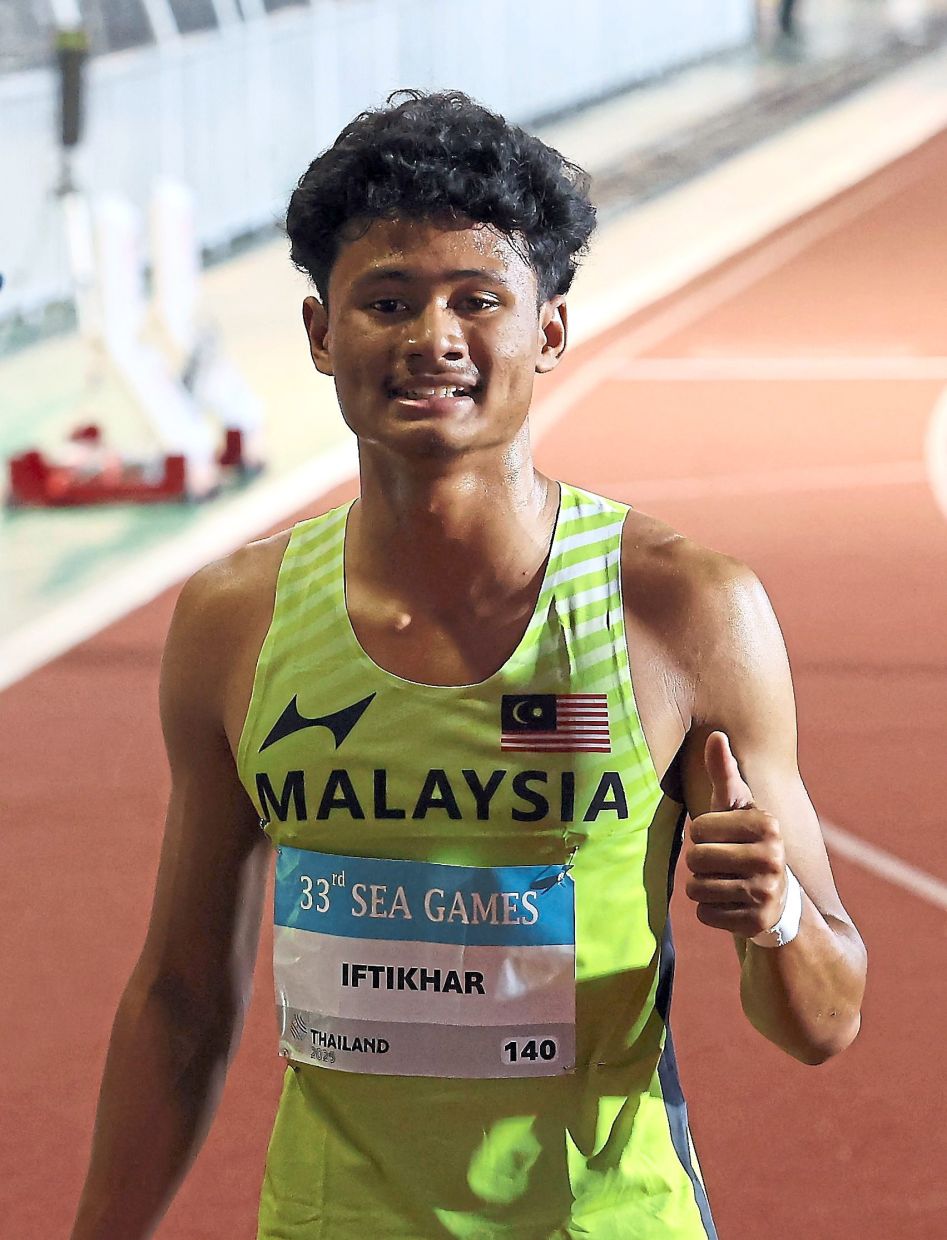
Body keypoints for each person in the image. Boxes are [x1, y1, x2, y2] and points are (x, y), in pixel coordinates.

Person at [70, 90, 866, 1239]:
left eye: (474, 300)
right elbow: (182, 997)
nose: (429, 338)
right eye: (385, 301)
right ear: (318, 334)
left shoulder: (679, 609)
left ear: (546, 330)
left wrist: (776, 914)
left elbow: (822, 1022)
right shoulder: (234, 622)